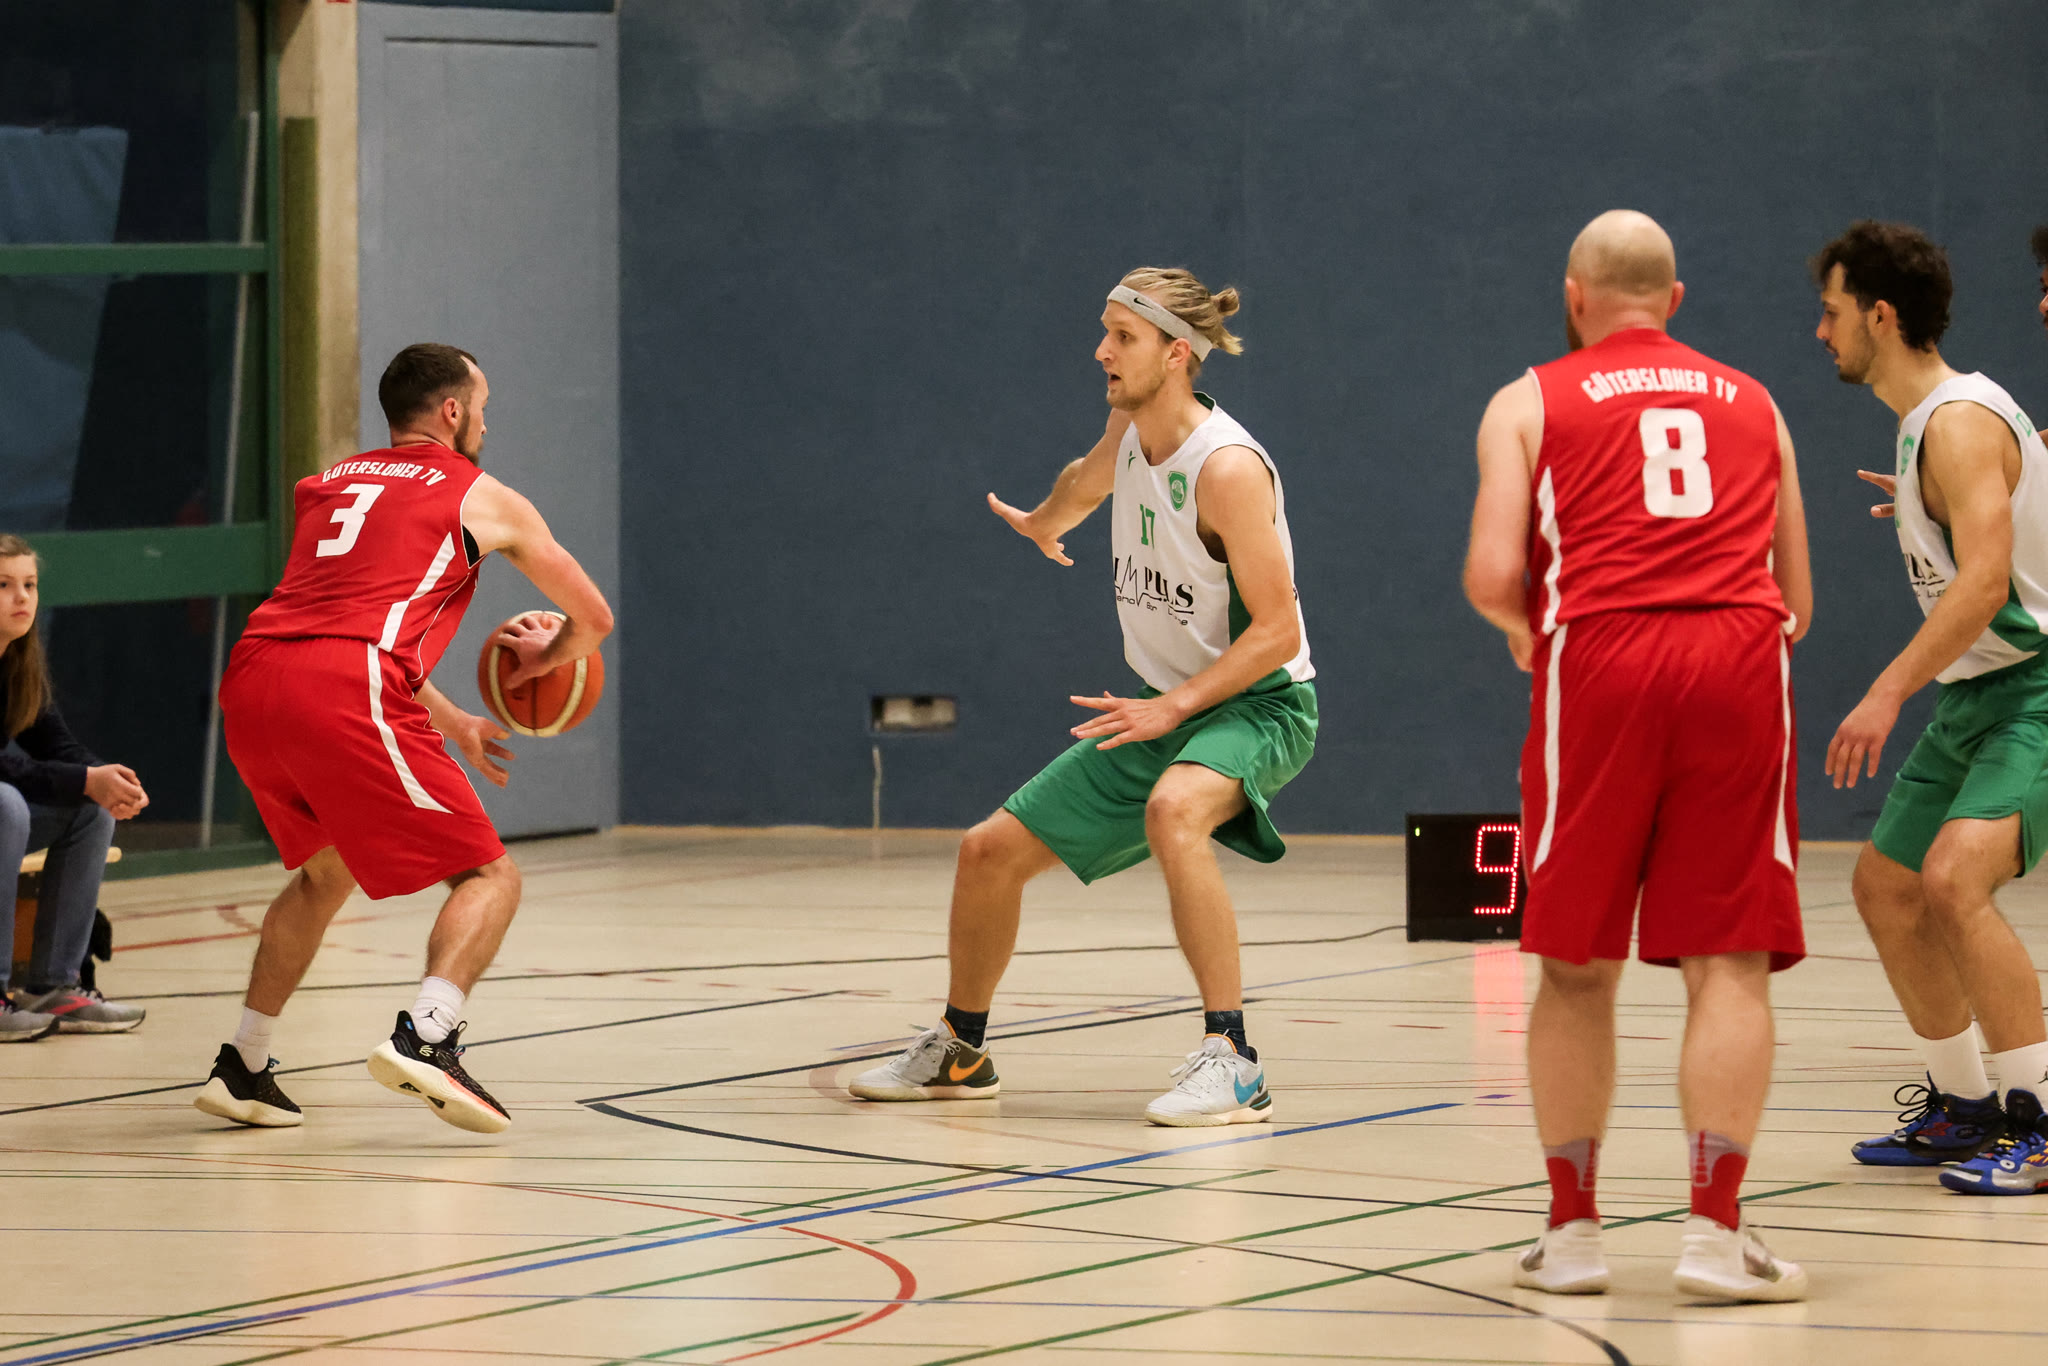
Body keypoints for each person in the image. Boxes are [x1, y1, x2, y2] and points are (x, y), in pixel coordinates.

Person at [849, 268, 1317, 1126]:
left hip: (1261, 704)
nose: (1102, 350)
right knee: (987, 853)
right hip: (1164, 704)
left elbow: (1278, 633)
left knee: (1174, 810)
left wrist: (1174, 709)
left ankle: (1233, 1060)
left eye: (1123, 337)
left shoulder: (1228, 470)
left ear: (1176, 355)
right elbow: (1090, 476)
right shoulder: (1132, 428)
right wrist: (1046, 520)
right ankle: (961, 1049)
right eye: (1104, 331)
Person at [1465, 211, 1812, 1301]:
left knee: (1574, 962)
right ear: (1675, 300)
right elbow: (1797, 597)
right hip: (1738, 657)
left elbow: (1491, 575)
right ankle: (1714, 1236)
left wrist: (1527, 631)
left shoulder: (1527, 399)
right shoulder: (1756, 401)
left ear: (1574, 297)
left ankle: (1572, 1235)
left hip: (1603, 657)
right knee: (1729, 960)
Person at [192, 344, 612, 1132]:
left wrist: (457, 723)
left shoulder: (329, 483)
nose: (486, 421)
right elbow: (593, 620)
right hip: (347, 685)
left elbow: (338, 619)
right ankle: (429, 1037)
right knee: (489, 876)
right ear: (453, 410)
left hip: (254, 679)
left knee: (326, 874)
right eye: (482, 405)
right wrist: (546, 661)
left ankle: (243, 1063)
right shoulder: (486, 496)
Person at [1815, 221, 2048, 1196]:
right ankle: (1964, 1107)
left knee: (1954, 878)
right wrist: (1927, 506)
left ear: (1879, 316)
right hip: (1976, 693)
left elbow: (1986, 583)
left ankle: (2039, 1121)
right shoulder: (1931, 429)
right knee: (1886, 885)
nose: (1820, 331)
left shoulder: (1955, 421)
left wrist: (1883, 691)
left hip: (2034, 687)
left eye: (1830, 311)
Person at [0, 535, 148, 1040]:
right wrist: (87, 779)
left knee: (90, 810)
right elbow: (6, 770)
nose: (22, 597)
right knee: (7, 805)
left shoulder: (18, 660)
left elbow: (55, 744)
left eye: (29, 584)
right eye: (4, 585)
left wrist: (108, 781)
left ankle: (54, 985)